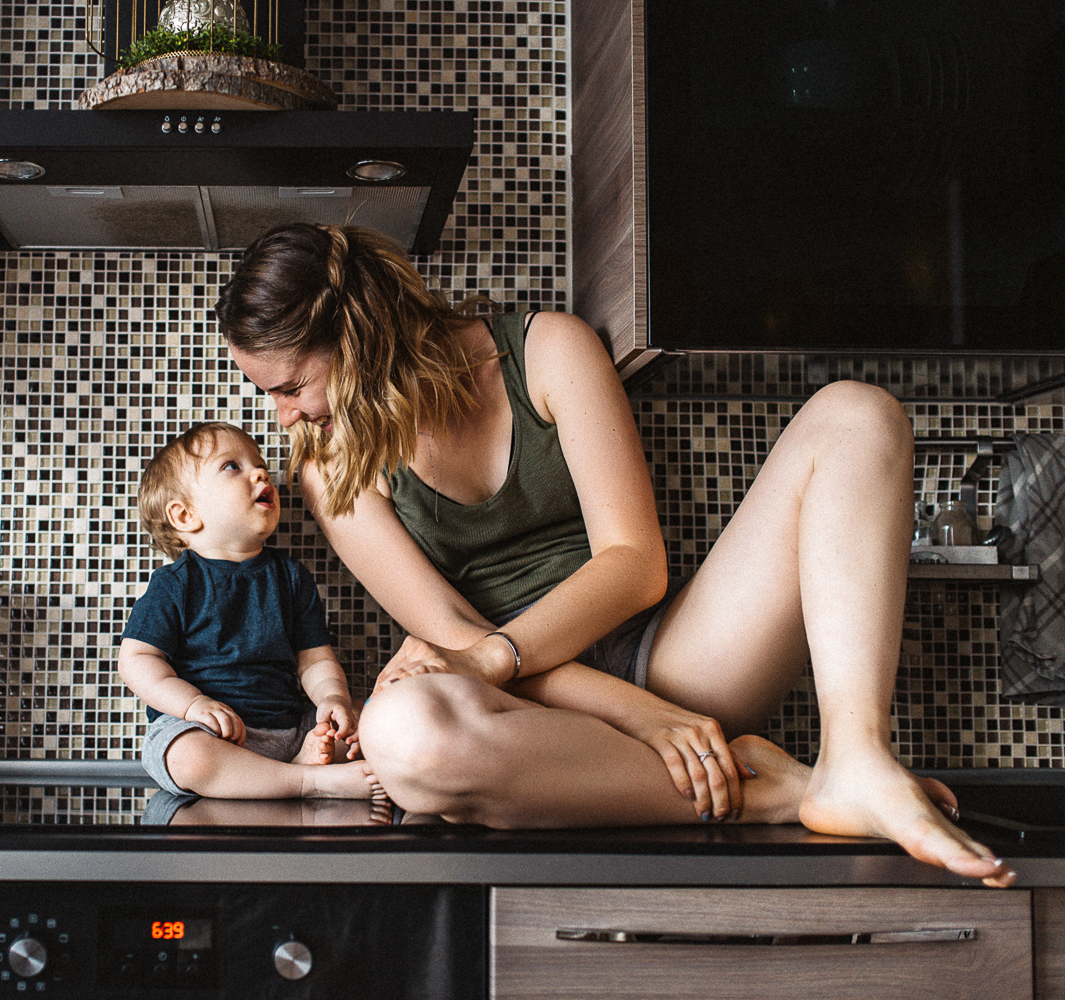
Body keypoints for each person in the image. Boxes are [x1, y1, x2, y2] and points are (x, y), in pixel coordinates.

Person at [215, 222, 1015, 887]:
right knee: (405, 737)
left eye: (290, 388)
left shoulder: (547, 350)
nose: (284, 419)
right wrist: (642, 717)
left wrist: (524, 665)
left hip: (672, 663)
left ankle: (858, 753)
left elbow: (636, 564)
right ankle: (779, 791)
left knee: (857, 414)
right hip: (544, 722)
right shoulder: (332, 466)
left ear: (356, 338)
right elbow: (453, 637)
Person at [119, 420, 387, 804]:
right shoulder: (175, 584)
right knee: (185, 756)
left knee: (371, 722)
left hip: (291, 731)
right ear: (184, 516)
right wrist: (193, 705)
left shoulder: (291, 576)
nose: (260, 472)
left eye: (258, 463)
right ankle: (306, 781)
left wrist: (333, 700)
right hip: (211, 737)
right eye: (233, 466)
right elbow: (136, 660)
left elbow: (313, 660)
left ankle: (297, 764)